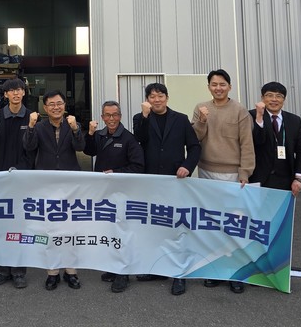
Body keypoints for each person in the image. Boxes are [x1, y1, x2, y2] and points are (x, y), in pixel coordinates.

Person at [132, 83, 201, 295]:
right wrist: (145, 117)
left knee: (176, 228)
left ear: (167, 98)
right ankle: (157, 269)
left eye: (160, 95)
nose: (157, 100)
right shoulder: (140, 118)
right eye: (152, 96)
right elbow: (139, 140)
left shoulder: (180, 119)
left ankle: (179, 274)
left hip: (175, 181)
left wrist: (187, 166)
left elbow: (195, 147)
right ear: (147, 100)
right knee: (154, 227)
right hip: (151, 182)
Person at [191, 69, 254, 294]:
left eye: (222, 84)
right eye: (214, 84)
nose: (218, 88)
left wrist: (245, 172)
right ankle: (214, 269)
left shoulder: (239, 110)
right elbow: (195, 138)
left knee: (234, 224)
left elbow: (247, 143)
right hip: (206, 170)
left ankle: (236, 272)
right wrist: (202, 121)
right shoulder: (201, 108)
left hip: (232, 174)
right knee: (212, 224)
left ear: (229, 86)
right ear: (208, 86)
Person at [23, 90, 85, 291]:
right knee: (49, 229)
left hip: (70, 185)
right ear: (45, 107)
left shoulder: (72, 124)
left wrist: (75, 129)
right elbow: (29, 147)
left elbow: (80, 146)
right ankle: (52, 272)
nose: (56, 107)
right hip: (46, 185)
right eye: (51, 104)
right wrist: (30, 126)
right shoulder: (39, 126)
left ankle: (71, 271)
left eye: (59, 103)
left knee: (71, 228)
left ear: (64, 106)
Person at [84, 100, 144, 293]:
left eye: (115, 115)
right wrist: (90, 133)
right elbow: (88, 151)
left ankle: (123, 273)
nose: (111, 119)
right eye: (107, 115)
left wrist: (116, 173)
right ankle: (112, 268)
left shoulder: (129, 139)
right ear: (102, 117)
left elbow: (138, 166)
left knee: (122, 232)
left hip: (122, 193)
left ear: (120, 116)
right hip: (103, 193)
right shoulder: (100, 135)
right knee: (109, 231)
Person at [0, 78, 33, 289]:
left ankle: (19, 272)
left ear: (24, 93)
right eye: (11, 91)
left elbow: (33, 150)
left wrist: (22, 169)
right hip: (0, 180)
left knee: (20, 225)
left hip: (22, 179)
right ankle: (2, 270)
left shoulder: (32, 117)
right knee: (1, 226)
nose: (16, 93)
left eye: (19, 90)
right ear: (5, 95)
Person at [249, 81, 301, 196]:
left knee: (282, 208)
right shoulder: (251, 116)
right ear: (262, 98)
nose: (274, 99)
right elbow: (256, 141)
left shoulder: (294, 120)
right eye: (269, 95)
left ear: (284, 99)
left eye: (279, 96)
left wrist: (299, 178)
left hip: (285, 180)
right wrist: (259, 118)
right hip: (258, 179)